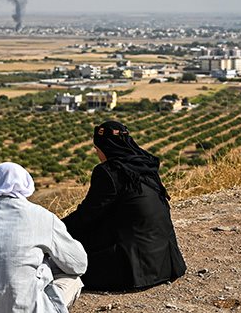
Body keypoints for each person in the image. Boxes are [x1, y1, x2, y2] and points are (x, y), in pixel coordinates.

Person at [0, 162, 88, 313]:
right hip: (27, 309)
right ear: (27, 185)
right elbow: (78, 264)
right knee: (74, 280)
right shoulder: (43, 216)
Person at [63, 120, 186, 291]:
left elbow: (87, 214)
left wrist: (56, 229)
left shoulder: (109, 172)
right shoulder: (145, 164)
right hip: (167, 263)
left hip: (135, 268)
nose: (97, 153)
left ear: (104, 148)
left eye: (97, 149)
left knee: (70, 257)